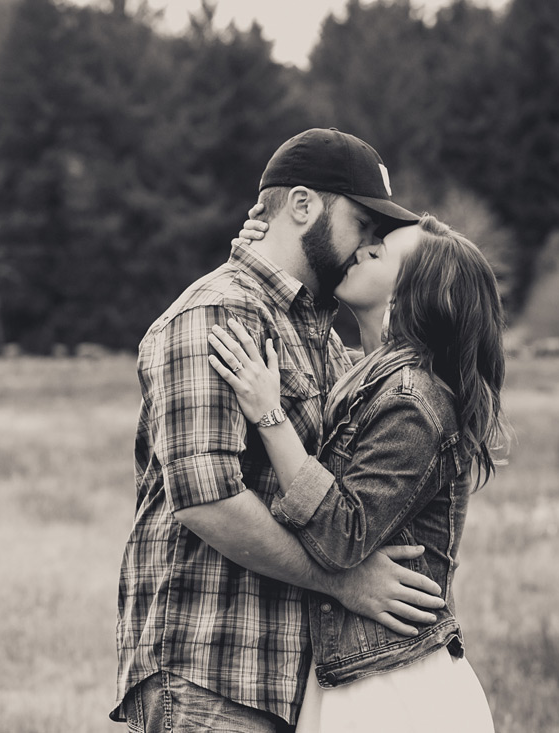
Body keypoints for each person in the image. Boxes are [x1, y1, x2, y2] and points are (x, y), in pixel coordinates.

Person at [113, 129, 450, 732]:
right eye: (364, 223)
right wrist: (347, 581)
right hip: (212, 675)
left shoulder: (320, 334)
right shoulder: (217, 314)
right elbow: (207, 502)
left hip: (296, 684)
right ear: (303, 206)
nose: (372, 243)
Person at [208, 212, 507, 732]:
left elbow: (344, 535)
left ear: (415, 294)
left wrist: (269, 415)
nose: (364, 250)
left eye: (381, 252)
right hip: (359, 675)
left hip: (394, 686)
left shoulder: (413, 401)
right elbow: (294, 313)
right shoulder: (359, 374)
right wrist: (262, 250)